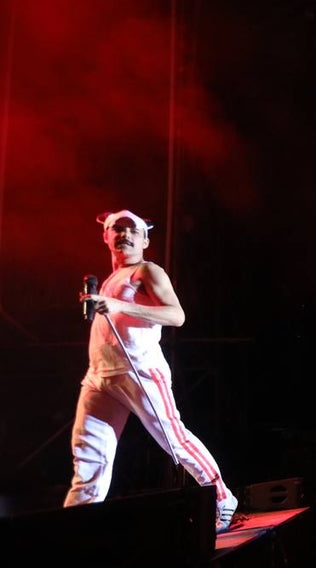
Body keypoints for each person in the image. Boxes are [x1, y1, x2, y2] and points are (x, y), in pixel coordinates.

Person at [65, 209, 237, 532]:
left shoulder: (146, 271)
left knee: (174, 439)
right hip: (100, 377)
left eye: (133, 230)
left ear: (145, 239)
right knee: (89, 456)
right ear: (106, 236)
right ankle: (75, 528)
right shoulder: (109, 280)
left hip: (139, 371)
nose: (125, 235)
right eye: (118, 229)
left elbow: (176, 315)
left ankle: (222, 498)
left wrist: (118, 306)